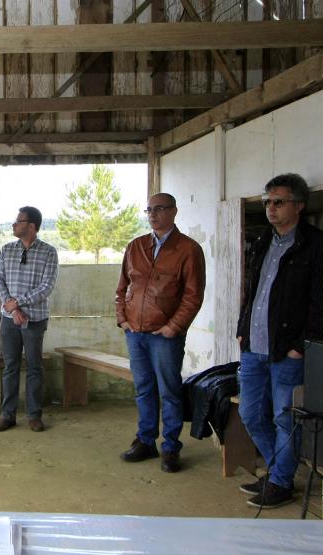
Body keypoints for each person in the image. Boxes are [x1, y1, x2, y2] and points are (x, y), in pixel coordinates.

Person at [236, 173, 323, 509]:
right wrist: (242, 329)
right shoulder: (263, 242)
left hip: (286, 350)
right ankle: (277, 471)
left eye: (279, 202)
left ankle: (281, 481)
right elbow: (252, 293)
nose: (271, 208)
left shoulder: (312, 244)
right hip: (253, 348)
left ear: (299, 206)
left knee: (284, 418)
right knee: (250, 413)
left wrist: (300, 345)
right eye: (268, 202)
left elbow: (319, 302)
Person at [115, 192, 205, 473]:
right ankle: (145, 441)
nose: (153, 214)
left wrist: (172, 327)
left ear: (174, 212)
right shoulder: (136, 246)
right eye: (149, 210)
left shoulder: (188, 249)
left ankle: (170, 448)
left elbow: (193, 295)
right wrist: (123, 319)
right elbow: (121, 288)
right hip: (136, 333)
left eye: (159, 209)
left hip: (164, 336)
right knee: (143, 390)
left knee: (170, 391)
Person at [0, 206, 59, 433]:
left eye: (18, 220)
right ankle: (7, 415)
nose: (14, 224)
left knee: (34, 367)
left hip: (35, 319)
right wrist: (12, 310)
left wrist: (17, 303)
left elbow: (46, 287)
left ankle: (34, 415)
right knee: (10, 367)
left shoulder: (49, 252)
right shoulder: (6, 250)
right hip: (9, 319)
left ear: (32, 226)